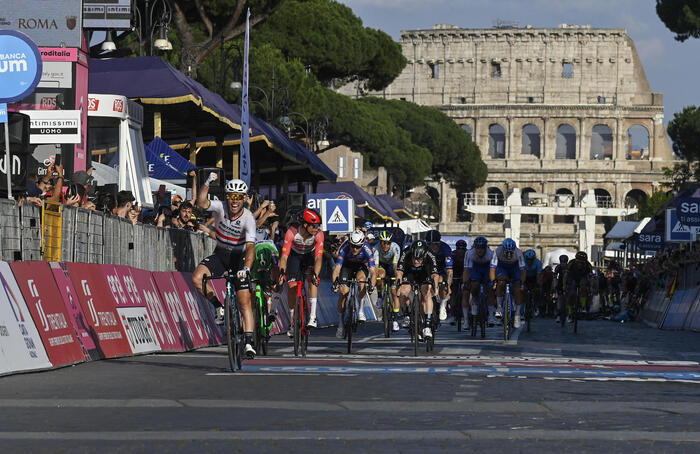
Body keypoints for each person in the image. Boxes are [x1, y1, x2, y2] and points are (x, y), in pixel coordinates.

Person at [192, 174, 257, 359]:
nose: (234, 200)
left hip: (239, 257)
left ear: (244, 198)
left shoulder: (249, 219)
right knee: (197, 278)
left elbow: (251, 248)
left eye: (238, 197)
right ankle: (219, 307)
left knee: (244, 300)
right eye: (231, 196)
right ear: (227, 196)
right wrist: (206, 182)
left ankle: (249, 342)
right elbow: (201, 202)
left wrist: (246, 268)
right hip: (220, 254)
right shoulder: (220, 206)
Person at [278, 208, 324, 332]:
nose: (317, 228)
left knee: (311, 278)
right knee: (292, 286)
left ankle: (313, 317)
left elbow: (318, 258)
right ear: (305, 225)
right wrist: (282, 272)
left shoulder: (319, 234)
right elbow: (284, 256)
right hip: (294, 256)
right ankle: (292, 321)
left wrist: (316, 274)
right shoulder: (292, 232)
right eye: (314, 225)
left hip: (309, 256)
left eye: (318, 225)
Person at [331, 230, 377, 339]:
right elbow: (337, 269)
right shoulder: (344, 248)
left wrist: (372, 285)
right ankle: (341, 324)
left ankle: (360, 310)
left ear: (362, 244)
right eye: (353, 246)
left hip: (361, 266)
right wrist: (334, 283)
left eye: (358, 246)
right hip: (347, 266)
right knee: (343, 292)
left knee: (361, 282)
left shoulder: (367, 249)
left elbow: (373, 272)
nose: (355, 249)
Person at [396, 240, 439, 339]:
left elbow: (435, 275)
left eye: (419, 259)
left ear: (423, 256)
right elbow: (399, 272)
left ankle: (427, 325)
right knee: (403, 291)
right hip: (409, 272)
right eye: (414, 258)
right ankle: (406, 314)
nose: (416, 261)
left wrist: (435, 288)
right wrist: (398, 286)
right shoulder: (405, 253)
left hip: (425, 272)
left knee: (427, 293)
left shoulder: (430, 254)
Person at [489, 238, 526, 328]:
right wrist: (494, 281)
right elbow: (492, 268)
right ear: (503, 250)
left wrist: (521, 283)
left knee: (517, 289)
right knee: (500, 282)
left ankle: (517, 314)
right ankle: (499, 307)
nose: (509, 255)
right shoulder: (498, 251)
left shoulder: (518, 252)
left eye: (511, 253)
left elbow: (523, 270)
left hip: (515, 268)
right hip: (502, 268)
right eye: (507, 253)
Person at [463, 236, 496, 325]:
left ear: (486, 248)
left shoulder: (491, 254)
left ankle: (491, 317)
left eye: (482, 248)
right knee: (474, 284)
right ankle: (474, 300)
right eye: (477, 248)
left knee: (490, 290)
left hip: (487, 269)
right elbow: (467, 270)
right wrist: (465, 282)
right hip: (475, 268)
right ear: (475, 247)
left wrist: (493, 282)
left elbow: (493, 270)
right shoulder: (469, 253)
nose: (480, 250)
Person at [376, 230, 402, 332]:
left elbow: (395, 266)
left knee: (394, 293)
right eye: (383, 243)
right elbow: (376, 267)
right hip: (382, 265)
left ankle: (395, 320)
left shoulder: (395, 248)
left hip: (392, 265)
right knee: (380, 275)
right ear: (380, 242)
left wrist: (396, 279)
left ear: (391, 243)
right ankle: (379, 296)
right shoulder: (376, 248)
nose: (386, 245)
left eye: (388, 243)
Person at [425, 230, 454, 321]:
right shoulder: (425, 248)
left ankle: (443, 305)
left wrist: (448, 286)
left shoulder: (445, 249)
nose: (432, 247)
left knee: (442, 282)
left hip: (442, 269)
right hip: (429, 269)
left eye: (435, 244)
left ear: (439, 243)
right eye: (429, 244)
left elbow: (450, 271)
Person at [564, 251, 593, 323]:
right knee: (571, 294)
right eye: (578, 262)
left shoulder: (588, 265)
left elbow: (592, 278)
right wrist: (564, 285)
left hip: (583, 277)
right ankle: (570, 313)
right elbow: (565, 276)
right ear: (576, 261)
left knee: (583, 286)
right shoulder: (571, 263)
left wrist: (591, 287)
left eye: (582, 263)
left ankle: (583, 306)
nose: (580, 264)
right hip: (572, 277)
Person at [450, 239, 468, 322]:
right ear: (456, 249)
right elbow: (449, 268)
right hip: (455, 272)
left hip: (465, 271)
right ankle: (453, 312)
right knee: (453, 291)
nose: (461, 251)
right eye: (459, 249)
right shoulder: (453, 255)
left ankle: (469, 310)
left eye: (463, 249)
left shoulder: (468, 254)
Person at [523, 249, 542, 316]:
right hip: (525, 276)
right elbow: (522, 274)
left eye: (531, 260)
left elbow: (538, 275)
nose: (529, 261)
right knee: (522, 290)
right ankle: (523, 305)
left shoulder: (538, 262)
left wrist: (538, 284)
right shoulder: (523, 262)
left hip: (534, 277)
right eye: (528, 259)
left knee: (537, 291)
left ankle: (536, 305)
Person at [553, 254, 569, 322]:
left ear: (566, 262)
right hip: (560, 283)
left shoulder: (569, 267)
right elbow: (555, 277)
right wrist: (554, 285)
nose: (563, 264)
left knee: (568, 299)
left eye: (564, 262)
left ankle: (569, 314)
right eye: (561, 262)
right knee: (559, 298)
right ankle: (559, 315)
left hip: (568, 283)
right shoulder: (558, 267)